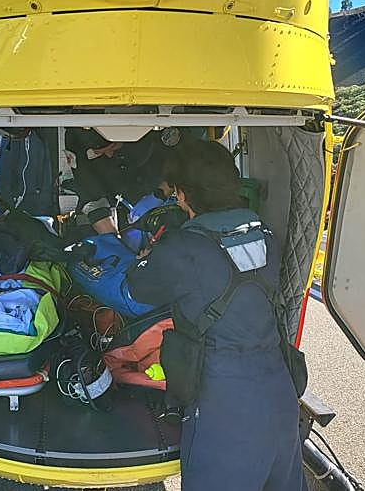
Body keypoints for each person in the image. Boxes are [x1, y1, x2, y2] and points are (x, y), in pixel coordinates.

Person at [126, 141, 306, 490]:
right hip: (279, 391)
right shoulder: (265, 233)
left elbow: (137, 288)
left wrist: (149, 254)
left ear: (182, 194)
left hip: (224, 403)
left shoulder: (182, 248)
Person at [64, 127, 198, 235]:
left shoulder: (158, 130)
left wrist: (161, 193)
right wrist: (114, 241)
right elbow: (90, 193)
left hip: (161, 195)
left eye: (113, 147)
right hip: (118, 208)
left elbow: (184, 162)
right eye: (99, 153)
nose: (109, 154)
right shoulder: (78, 141)